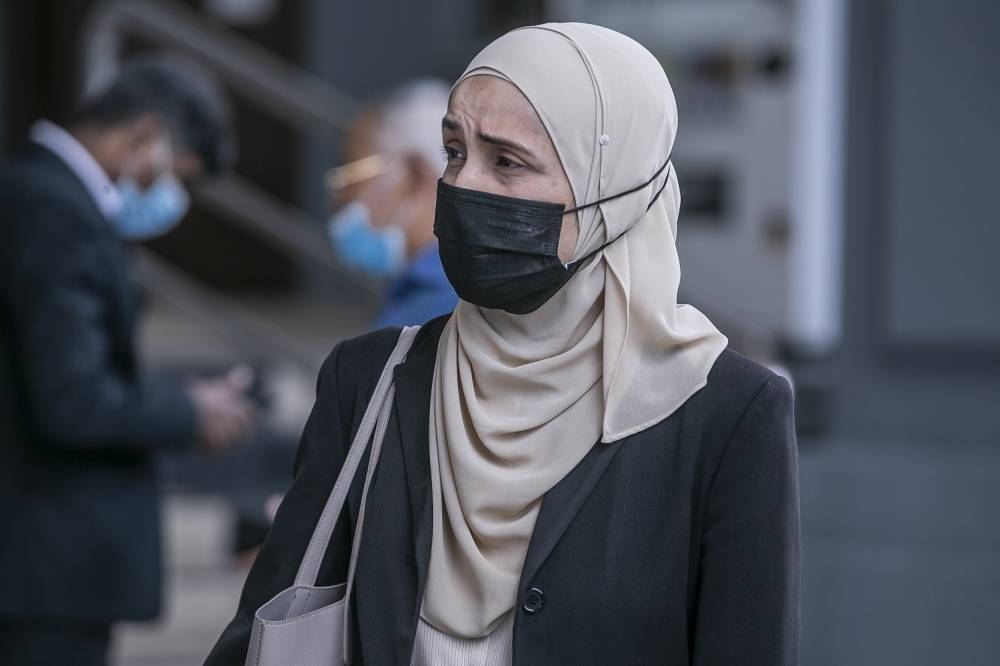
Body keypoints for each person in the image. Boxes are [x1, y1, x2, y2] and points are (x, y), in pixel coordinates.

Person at [207, 23, 800, 665]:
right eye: (455, 151)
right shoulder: (370, 379)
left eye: (507, 162)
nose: (463, 186)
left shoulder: (729, 412)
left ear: (611, 191)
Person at [0, 55, 257, 665]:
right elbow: (73, 402)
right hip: (43, 575)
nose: (174, 199)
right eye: (181, 178)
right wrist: (189, 411)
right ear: (146, 138)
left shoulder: (39, 195)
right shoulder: (53, 209)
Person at [326, 79, 458, 328]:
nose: (341, 195)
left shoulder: (437, 305)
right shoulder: (427, 291)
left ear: (414, 174)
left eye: (351, 174)